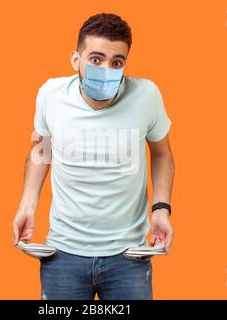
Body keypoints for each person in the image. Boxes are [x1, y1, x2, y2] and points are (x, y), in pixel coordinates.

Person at [12, 12, 175, 300]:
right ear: (76, 59)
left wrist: (161, 209)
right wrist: (27, 205)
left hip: (128, 256)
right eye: (96, 59)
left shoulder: (146, 95)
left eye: (117, 62)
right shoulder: (50, 94)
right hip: (63, 253)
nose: (106, 68)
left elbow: (161, 152)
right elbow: (41, 150)